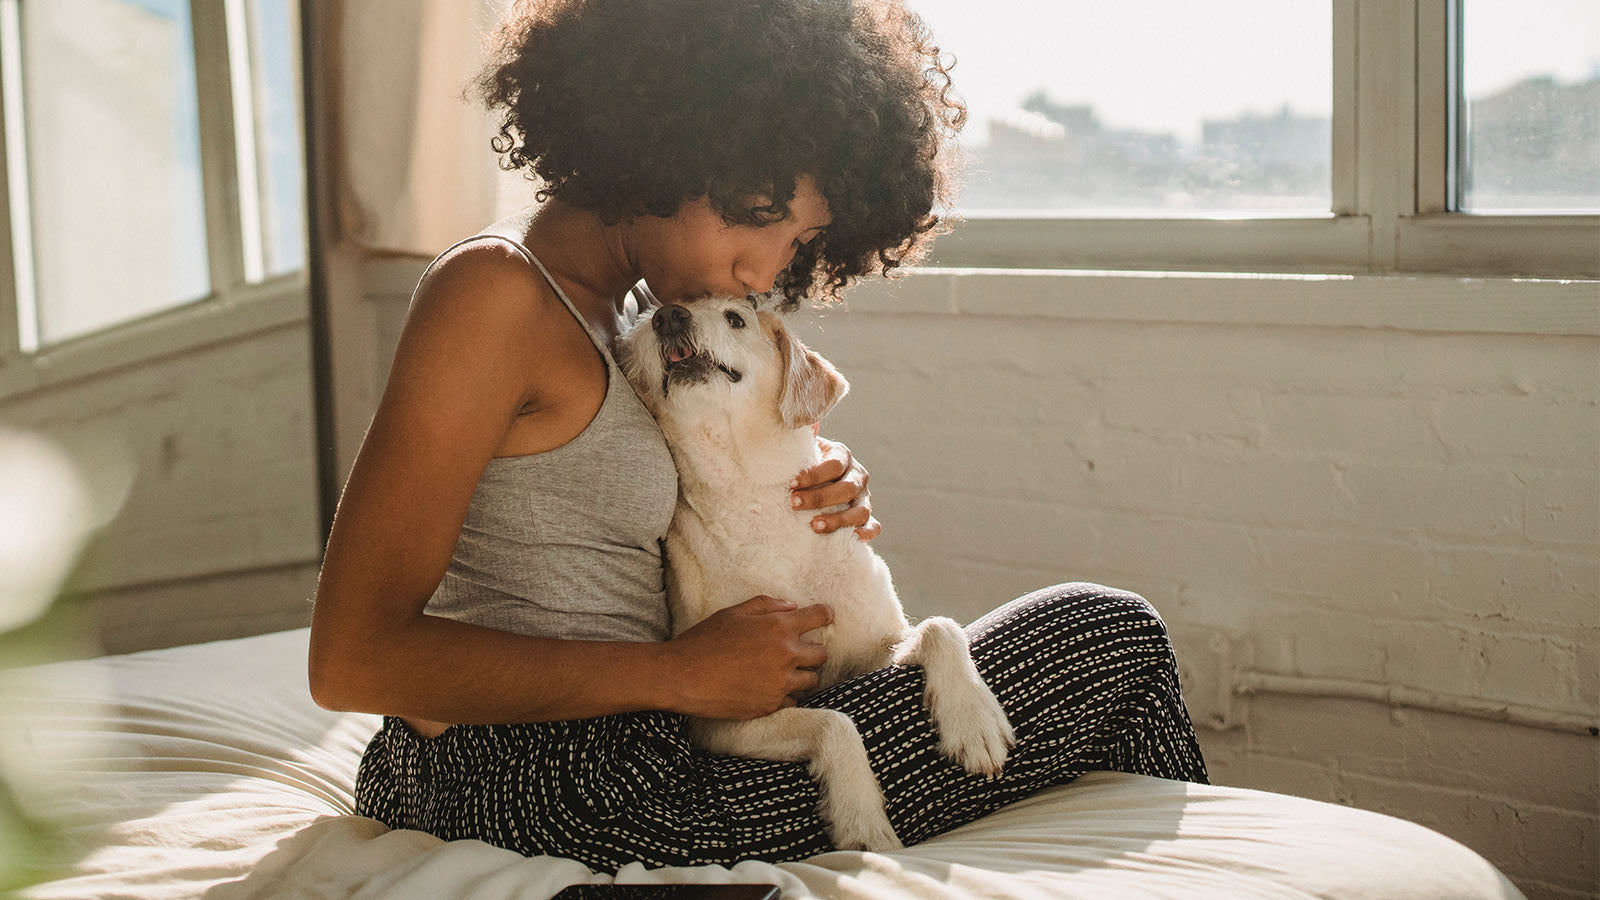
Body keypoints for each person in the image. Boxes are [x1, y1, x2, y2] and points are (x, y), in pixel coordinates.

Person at [308, 0, 1208, 874]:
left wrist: (801, 475)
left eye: (801, 237)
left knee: (1065, 651)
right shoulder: (494, 294)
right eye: (761, 215)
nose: (770, 268)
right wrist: (674, 675)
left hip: (645, 742)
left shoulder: (633, 321)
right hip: (550, 785)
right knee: (1109, 635)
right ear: (671, 141)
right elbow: (352, 658)